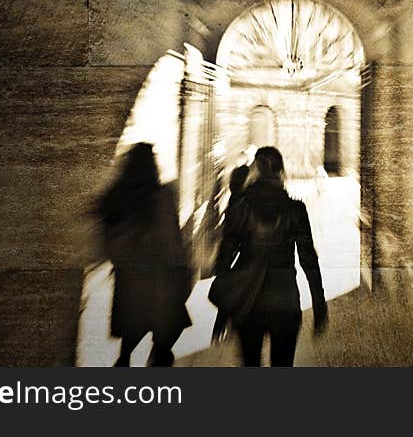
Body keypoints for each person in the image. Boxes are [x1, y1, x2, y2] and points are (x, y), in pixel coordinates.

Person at [212, 146, 328, 367]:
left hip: (248, 303)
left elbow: (224, 260)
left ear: (255, 171)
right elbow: (308, 260)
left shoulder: (239, 207)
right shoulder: (296, 209)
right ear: (280, 171)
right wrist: (319, 303)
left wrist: (223, 311)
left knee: (250, 364)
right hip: (284, 301)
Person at [97, 142, 193, 366]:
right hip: (159, 277)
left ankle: (124, 362)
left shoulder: (117, 196)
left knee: (133, 327)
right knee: (166, 327)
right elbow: (170, 239)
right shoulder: (161, 196)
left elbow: (105, 237)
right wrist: (182, 269)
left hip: (129, 277)